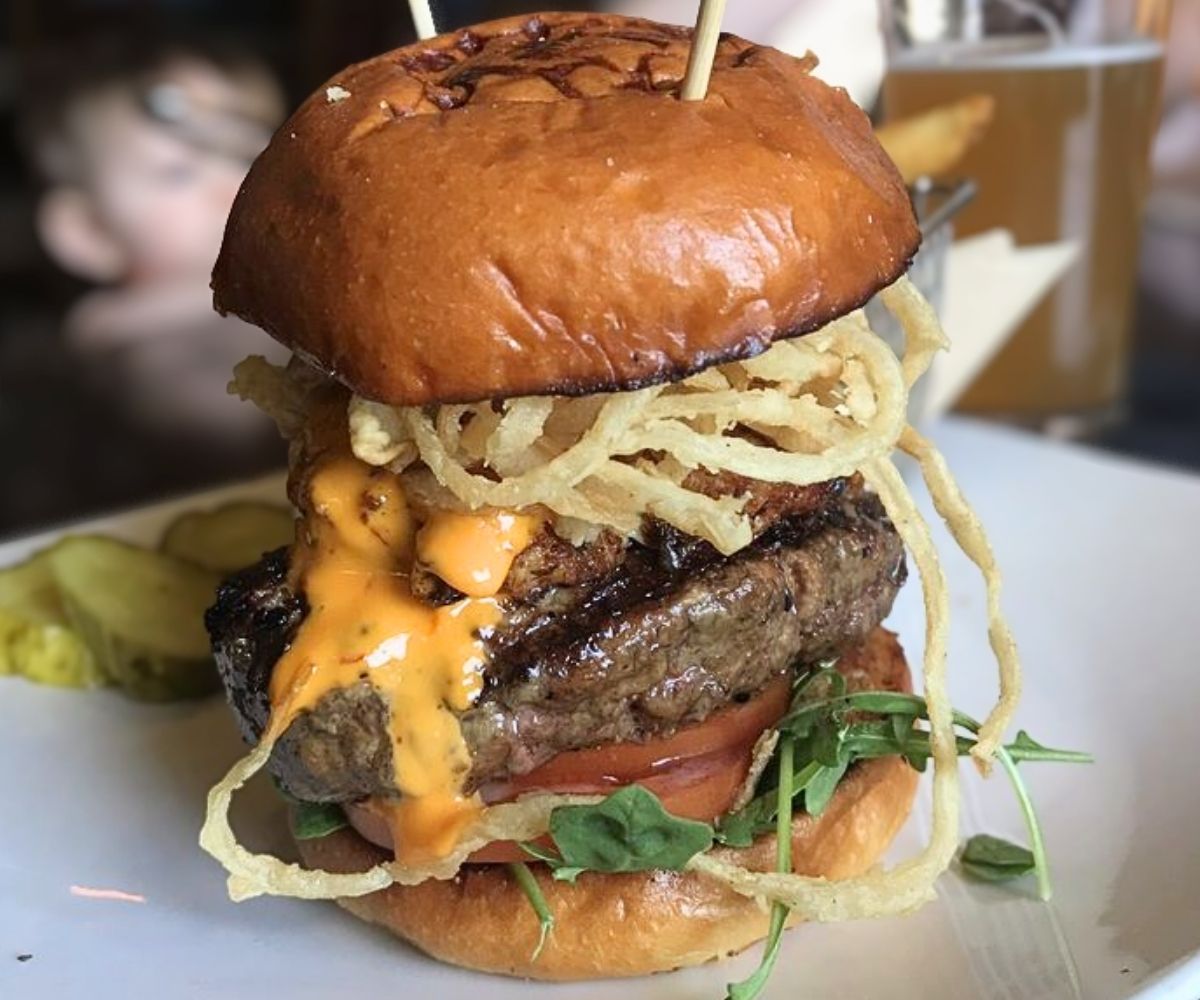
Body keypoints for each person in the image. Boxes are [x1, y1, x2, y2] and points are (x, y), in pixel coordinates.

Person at [9, 37, 290, 530]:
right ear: (89, 233)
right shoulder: (103, 326)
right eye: (178, 172)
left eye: (249, 156)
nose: (233, 184)